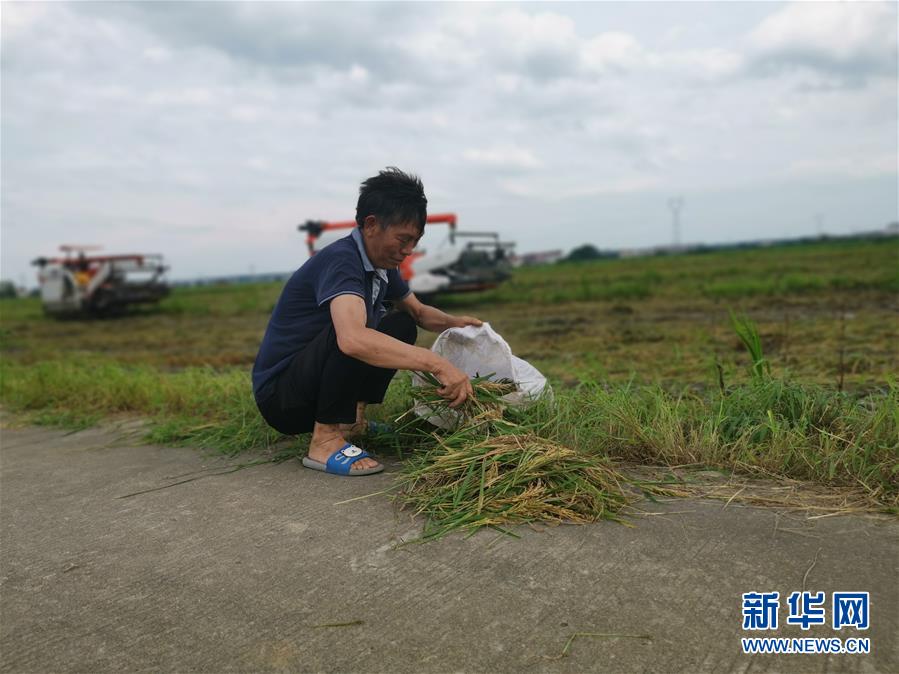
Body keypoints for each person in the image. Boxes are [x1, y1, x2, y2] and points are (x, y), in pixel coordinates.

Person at [252, 168, 482, 476]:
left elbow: (418, 313)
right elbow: (351, 340)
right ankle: (325, 440)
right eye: (403, 239)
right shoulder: (342, 260)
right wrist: (437, 364)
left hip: (311, 383)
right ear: (371, 225)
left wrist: (458, 324)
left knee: (400, 325)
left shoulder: (382, 267)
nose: (409, 250)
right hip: (282, 398)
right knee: (352, 334)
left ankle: (351, 422)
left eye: (415, 241)